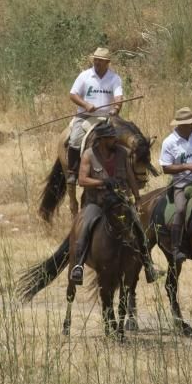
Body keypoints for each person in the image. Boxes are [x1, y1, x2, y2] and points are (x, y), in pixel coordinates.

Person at [69, 123, 158, 285]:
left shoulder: (123, 153)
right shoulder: (89, 155)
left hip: (120, 200)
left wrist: (137, 198)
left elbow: (130, 176)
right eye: (111, 138)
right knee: (86, 225)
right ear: (102, 140)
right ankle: (78, 265)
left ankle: (148, 265)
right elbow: (82, 180)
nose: (115, 140)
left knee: (138, 226)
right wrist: (102, 181)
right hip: (97, 202)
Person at [159, 107, 192, 264]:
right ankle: (176, 248)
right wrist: (186, 167)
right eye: (190, 123)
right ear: (181, 125)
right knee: (181, 208)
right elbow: (165, 168)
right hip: (181, 184)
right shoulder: (169, 142)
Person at [66, 47, 125, 184]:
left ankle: (126, 171)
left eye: (101, 60)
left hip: (106, 117)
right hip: (85, 116)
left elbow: (118, 97)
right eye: (96, 60)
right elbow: (73, 95)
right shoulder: (85, 76)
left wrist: (116, 109)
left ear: (107, 62)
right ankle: (72, 172)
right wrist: (86, 105)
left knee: (125, 137)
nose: (97, 62)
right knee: (75, 139)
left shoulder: (114, 78)